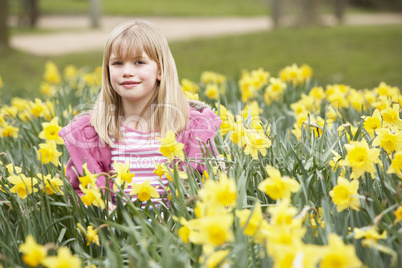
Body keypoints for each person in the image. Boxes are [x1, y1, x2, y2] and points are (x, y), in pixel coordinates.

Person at [59, 20, 222, 205]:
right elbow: (77, 191)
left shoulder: (192, 130)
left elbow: (213, 184)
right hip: (115, 232)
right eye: (118, 63)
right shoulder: (93, 133)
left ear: (160, 70)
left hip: (177, 232)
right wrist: (102, 209)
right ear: (107, 70)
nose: (127, 71)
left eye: (139, 62)